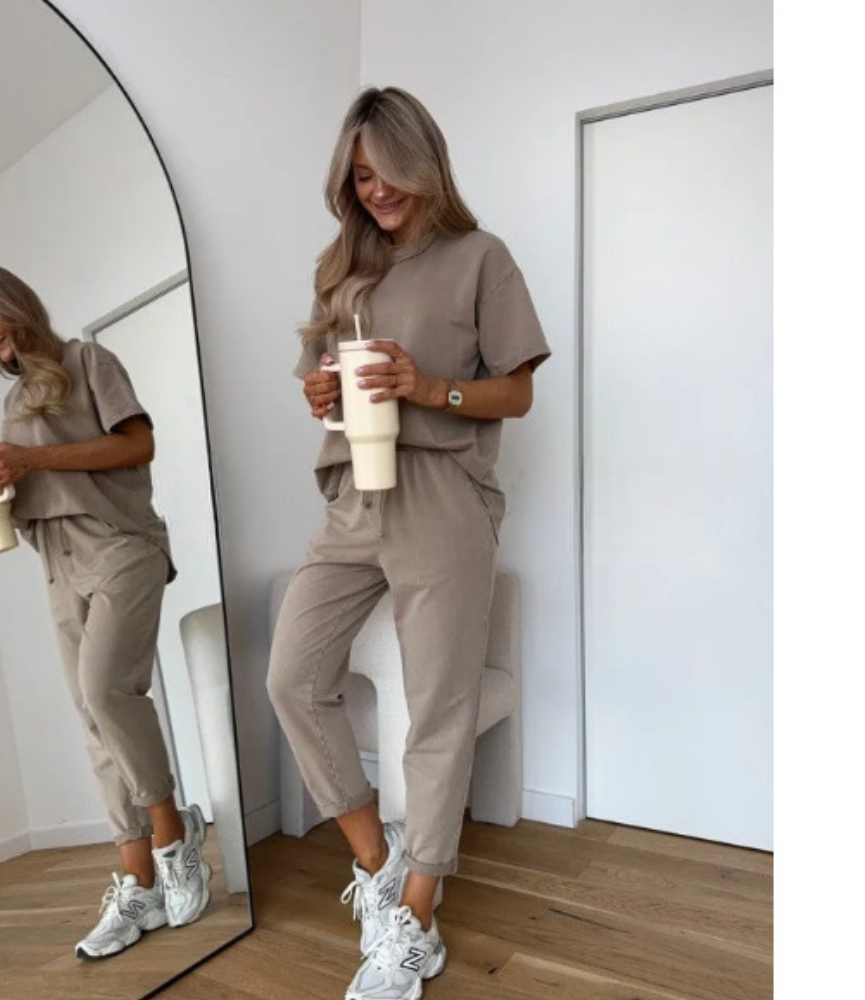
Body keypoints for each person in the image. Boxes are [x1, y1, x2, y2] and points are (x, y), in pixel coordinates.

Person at [266, 86, 551, 1000]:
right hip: (354, 493)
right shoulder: (340, 270)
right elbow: (322, 380)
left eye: (388, 171)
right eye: (359, 176)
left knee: (438, 710)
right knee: (292, 678)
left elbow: (517, 392)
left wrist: (429, 388)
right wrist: (319, 393)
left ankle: (418, 920)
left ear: (423, 163)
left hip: (441, 499)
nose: (376, 190)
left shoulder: (481, 257)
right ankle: (380, 864)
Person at [0, 266, 212, 960]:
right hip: (56, 559)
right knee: (93, 719)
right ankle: (137, 881)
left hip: (118, 544)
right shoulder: (13, 403)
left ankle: (174, 837)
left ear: (12, 308)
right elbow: (32, 487)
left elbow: (137, 444)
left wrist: (32, 458)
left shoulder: (88, 360)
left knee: (106, 690)